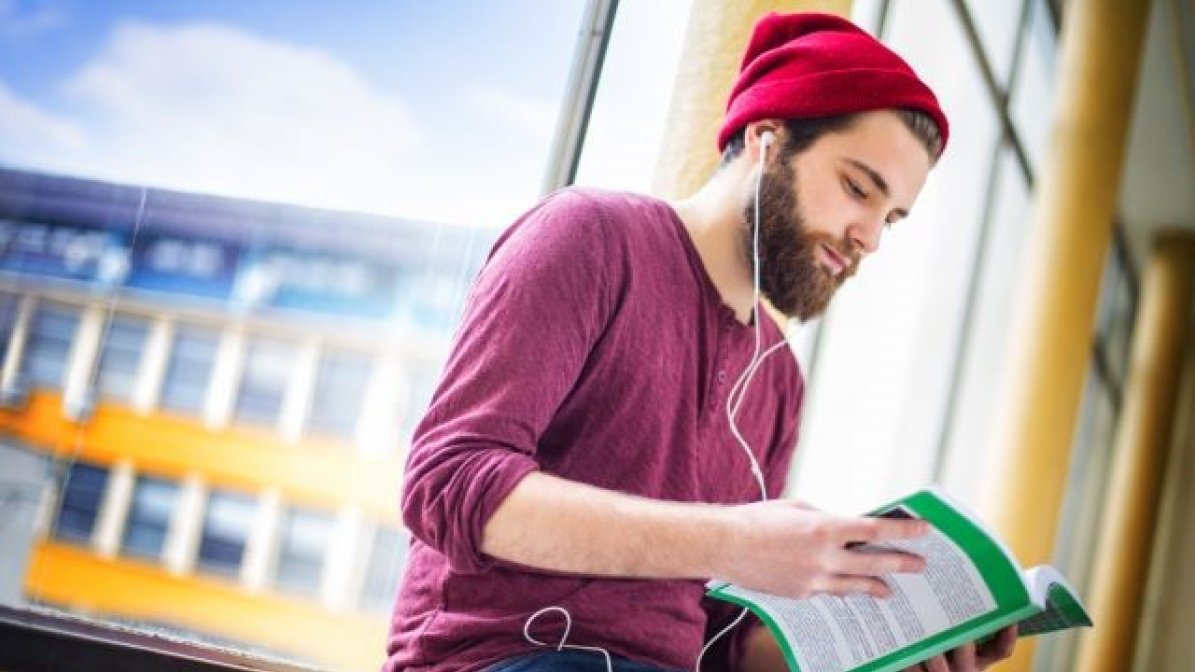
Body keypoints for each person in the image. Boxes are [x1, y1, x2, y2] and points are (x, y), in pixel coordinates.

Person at [384, 12, 1017, 672]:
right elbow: (446, 482)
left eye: (890, 218)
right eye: (857, 188)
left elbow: (720, 642)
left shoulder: (777, 380)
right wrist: (736, 540)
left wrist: (894, 648)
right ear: (765, 140)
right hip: (501, 659)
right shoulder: (590, 238)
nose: (869, 237)